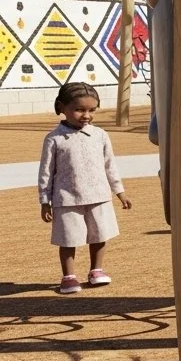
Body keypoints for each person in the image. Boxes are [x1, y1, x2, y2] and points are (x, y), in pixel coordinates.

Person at [37, 83, 134, 294]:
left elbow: (110, 165)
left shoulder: (100, 135)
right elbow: (46, 172)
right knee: (68, 239)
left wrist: (120, 192)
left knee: (100, 235)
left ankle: (96, 270)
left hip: (99, 196)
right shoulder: (53, 139)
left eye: (92, 110)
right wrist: (45, 201)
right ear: (62, 107)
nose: (86, 115)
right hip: (66, 200)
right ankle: (69, 277)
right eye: (80, 109)